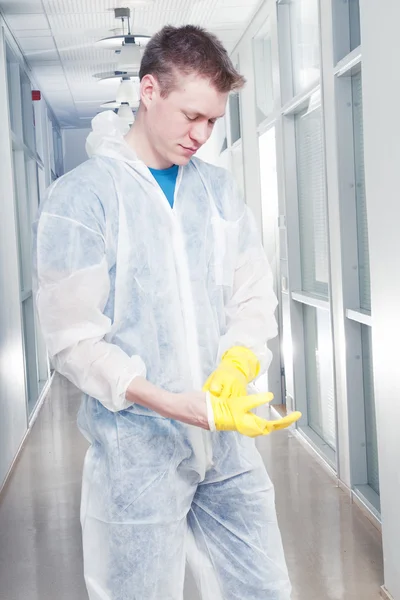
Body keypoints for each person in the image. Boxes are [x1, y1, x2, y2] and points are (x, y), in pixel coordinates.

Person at [33, 24, 301, 600]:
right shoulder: (83, 199)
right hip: (139, 450)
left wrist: (235, 365)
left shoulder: (218, 192)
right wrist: (171, 403)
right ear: (149, 90)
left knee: (264, 588)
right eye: (191, 116)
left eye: (213, 121)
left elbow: (251, 295)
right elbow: (73, 339)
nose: (201, 135)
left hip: (226, 444)